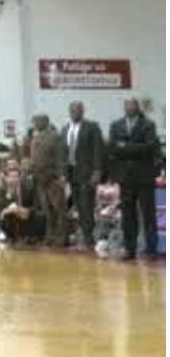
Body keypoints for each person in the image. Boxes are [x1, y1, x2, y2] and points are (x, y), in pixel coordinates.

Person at [107, 99, 160, 260]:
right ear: (124, 108)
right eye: (127, 105)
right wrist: (133, 147)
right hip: (125, 176)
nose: (130, 108)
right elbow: (113, 147)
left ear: (137, 107)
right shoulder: (116, 125)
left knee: (148, 214)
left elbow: (149, 147)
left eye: (132, 105)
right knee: (128, 215)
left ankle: (151, 249)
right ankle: (130, 249)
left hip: (144, 176)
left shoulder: (148, 124)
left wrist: (126, 147)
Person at [63, 101, 106, 250]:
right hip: (71, 172)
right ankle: (83, 234)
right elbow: (64, 152)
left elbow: (98, 150)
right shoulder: (65, 128)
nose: (75, 112)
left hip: (87, 173)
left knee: (87, 205)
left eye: (77, 110)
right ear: (69, 112)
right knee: (78, 206)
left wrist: (97, 171)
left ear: (83, 111)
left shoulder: (92, 127)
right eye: (72, 110)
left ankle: (89, 238)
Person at [25, 115, 69, 247]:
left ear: (45, 122)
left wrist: (61, 175)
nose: (35, 124)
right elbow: (33, 159)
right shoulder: (35, 138)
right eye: (34, 122)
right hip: (39, 178)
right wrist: (30, 173)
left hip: (53, 178)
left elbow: (61, 157)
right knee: (47, 210)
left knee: (59, 209)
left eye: (37, 121)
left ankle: (62, 237)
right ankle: (50, 235)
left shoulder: (56, 136)